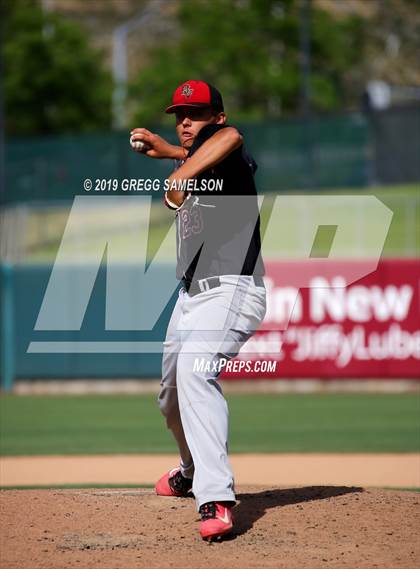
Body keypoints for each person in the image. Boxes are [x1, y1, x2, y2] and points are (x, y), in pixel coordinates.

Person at [130, 80, 266, 541]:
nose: (186, 121)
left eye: (197, 113)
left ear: (218, 116)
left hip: (232, 289)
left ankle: (217, 498)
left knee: (194, 372)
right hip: (190, 296)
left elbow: (232, 139)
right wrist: (172, 152)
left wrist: (179, 171)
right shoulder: (193, 158)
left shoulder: (225, 150)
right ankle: (190, 471)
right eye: (179, 114)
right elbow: (194, 156)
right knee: (169, 396)